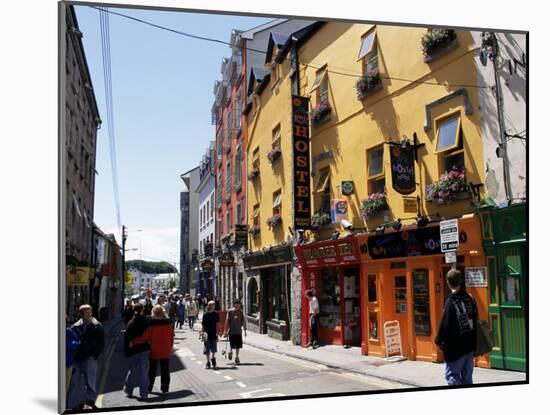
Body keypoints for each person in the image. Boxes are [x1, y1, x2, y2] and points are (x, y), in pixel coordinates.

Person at [435, 269, 478, 386]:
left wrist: (438, 340)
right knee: (467, 378)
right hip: (469, 346)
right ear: (460, 281)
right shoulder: (470, 298)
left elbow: (445, 324)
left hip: (455, 348)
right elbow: (475, 320)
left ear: (448, 283)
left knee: (452, 375)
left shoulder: (450, 301)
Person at [67, 304, 105, 410]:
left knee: (90, 383)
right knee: (73, 383)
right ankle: (69, 404)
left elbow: (101, 344)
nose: (89, 314)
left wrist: (94, 355)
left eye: (90, 312)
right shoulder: (74, 327)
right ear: (81, 314)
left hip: (90, 359)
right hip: (77, 359)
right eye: (86, 312)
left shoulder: (97, 326)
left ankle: (90, 403)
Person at [131, 305, 174, 395]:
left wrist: (133, 341)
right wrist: (170, 347)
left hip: (154, 351)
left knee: (151, 371)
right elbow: (171, 337)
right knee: (165, 370)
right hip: (166, 350)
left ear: (153, 313)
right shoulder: (169, 323)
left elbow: (144, 338)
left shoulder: (152, 325)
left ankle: (149, 387)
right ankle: (165, 389)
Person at [123, 304, 150, 401]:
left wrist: (127, 351)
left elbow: (127, 340)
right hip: (144, 350)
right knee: (144, 372)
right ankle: (144, 394)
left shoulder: (130, 323)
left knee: (133, 371)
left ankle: (129, 390)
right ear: (142, 310)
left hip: (133, 350)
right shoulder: (146, 321)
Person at [223, 299, 247, 365]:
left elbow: (243, 321)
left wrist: (245, 330)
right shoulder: (230, 311)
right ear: (234, 304)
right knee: (232, 343)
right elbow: (227, 321)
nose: (237, 306)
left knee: (238, 345)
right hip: (232, 331)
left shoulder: (241, 312)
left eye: (239, 305)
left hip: (238, 331)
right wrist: (225, 331)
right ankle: (230, 352)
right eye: (236, 304)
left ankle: (237, 357)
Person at [201, 300, 220, 369]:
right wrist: (202, 333)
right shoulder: (205, 315)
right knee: (207, 349)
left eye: (214, 305)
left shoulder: (216, 314)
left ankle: (213, 358)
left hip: (214, 333)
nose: (214, 307)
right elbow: (203, 325)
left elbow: (218, 324)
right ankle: (208, 361)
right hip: (206, 334)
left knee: (214, 349)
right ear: (209, 306)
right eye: (213, 305)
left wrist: (218, 332)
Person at [66, 316, 80, 392]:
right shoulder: (69, 332)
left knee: (66, 386)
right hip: (68, 362)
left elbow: (76, 343)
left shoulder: (69, 332)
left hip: (68, 362)